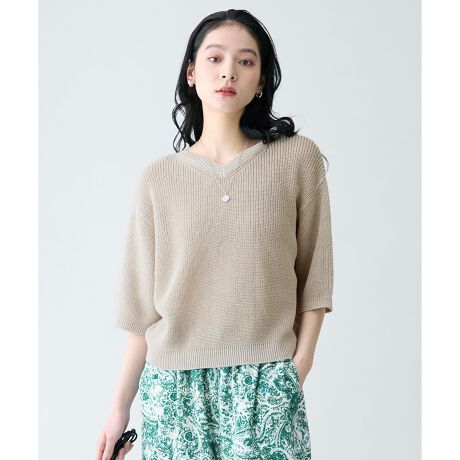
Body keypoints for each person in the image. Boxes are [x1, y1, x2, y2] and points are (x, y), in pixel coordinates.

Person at [96, 8, 334, 460]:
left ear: (261, 80)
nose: (228, 71)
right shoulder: (158, 179)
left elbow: (315, 280)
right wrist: (117, 411)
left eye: (245, 61)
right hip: (173, 391)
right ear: (191, 72)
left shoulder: (297, 160)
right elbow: (143, 314)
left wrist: (296, 370)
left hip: (266, 383)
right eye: (215, 58)